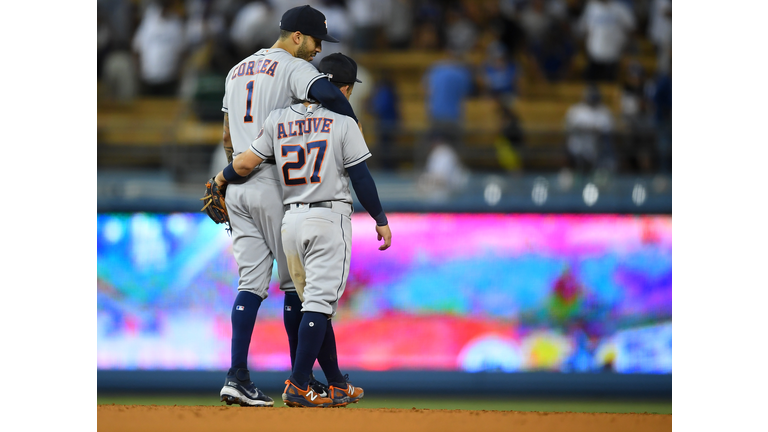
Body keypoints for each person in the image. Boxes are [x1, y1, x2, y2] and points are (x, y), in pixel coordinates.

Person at [214, 53, 392, 407]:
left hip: (290, 219)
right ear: (341, 89)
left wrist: (220, 179)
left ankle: (334, 382)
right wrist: (381, 218)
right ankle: (299, 381)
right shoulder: (343, 123)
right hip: (326, 217)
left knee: (291, 294)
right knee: (318, 303)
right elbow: (360, 177)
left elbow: (246, 161)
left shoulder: (278, 119)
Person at [576, 0, 635, 82]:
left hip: (613, 57)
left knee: (610, 86)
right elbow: (582, 29)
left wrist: (625, 48)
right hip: (593, 56)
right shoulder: (591, 7)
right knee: (591, 86)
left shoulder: (620, 8)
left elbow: (631, 28)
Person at [564, 84, 615, 173]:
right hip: (577, 151)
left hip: (598, 152)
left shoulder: (604, 111)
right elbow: (568, 128)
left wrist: (592, 130)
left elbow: (608, 132)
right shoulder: (576, 110)